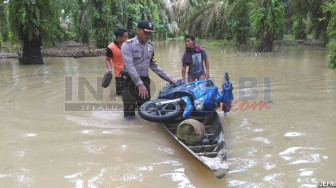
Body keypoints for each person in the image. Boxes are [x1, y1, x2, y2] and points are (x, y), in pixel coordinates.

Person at [121, 20, 175, 117]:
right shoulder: (127, 45)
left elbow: (154, 65)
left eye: (150, 33)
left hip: (145, 81)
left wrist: (169, 78)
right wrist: (139, 84)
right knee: (129, 115)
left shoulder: (150, 47)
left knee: (146, 113)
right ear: (138, 30)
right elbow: (129, 66)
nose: (148, 35)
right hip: (130, 81)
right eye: (146, 32)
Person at [105, 28, 128, 95]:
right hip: (119, 75)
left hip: (130, 73)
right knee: (120, 95)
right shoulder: (110, 47)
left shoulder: (128, 44)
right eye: (125, 37)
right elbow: (107, 59)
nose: (127, 39)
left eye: (127, 37)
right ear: (119, 37)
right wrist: (109, 69)